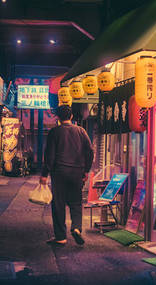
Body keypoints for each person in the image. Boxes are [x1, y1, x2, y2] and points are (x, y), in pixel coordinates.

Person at [40, 105, 93, 245]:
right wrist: (86, 170)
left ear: (57, 117)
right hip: (77, 172)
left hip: (59, 173)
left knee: (58, 204)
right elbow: (90, 151)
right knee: (76, 202)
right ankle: (76, 228)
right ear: (71, 117)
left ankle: (61, 237)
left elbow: (49, 156)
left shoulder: (54, 132)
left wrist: (44, 174)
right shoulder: (81, 131)